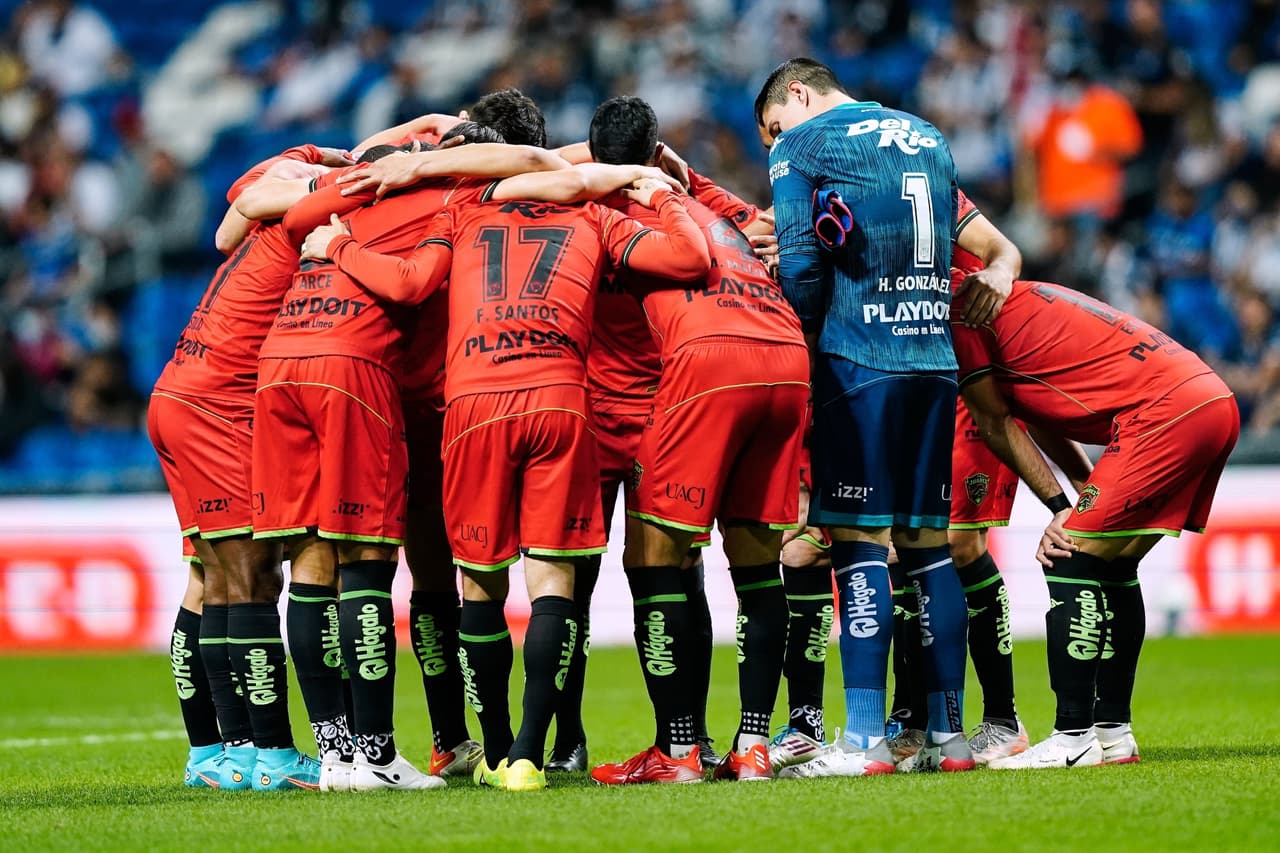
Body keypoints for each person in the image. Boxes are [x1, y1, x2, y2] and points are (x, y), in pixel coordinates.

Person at [298, 161, 708, 792]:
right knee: (553, 581)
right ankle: (527, 755)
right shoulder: (592, 216)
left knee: (481, 585)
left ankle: (488, 749)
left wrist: (340, 244)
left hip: (473, 406)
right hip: (560, 400)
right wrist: (657, 190)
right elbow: (685, 258)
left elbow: (409, 283)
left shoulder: (463, 211)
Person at [755, 57, 1007, 774]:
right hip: (933, 361)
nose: (776, 139)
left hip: (859, 361)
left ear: (796, 94)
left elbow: (802, 267)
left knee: (859, 545)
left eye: (774, 124)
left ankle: (863, 739)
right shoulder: (926, 133)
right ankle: (949, 736)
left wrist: (796, 329)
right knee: (929, 548)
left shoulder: (802, 144)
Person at [572, 97, 806, 784]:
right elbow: (756, 222)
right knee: (758, 561)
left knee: (655, 556)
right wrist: (681, 173)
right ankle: (754, 745)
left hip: (706, 365)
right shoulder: (710, 210)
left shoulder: (607, 210)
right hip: (785, 357)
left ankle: (677, 751)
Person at [953, 275, 1239, 770]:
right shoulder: (1018, 298)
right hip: (1209, 400)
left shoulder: (961, 311)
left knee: (1070, 554)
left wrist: (1061, 508)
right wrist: (1084, 487)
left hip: (1163, 412)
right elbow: (1040, 409)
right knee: (1114, 563)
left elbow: (996, 422)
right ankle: (1113, 732)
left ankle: (1072, 736)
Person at [148, 142, 353, 792]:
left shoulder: (266, 214)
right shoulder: (313, 216)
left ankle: (218, 752)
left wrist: (323, 158)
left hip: (183, 388)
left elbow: (241, 201)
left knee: (208, 579)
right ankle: (268, 753)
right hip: (216, 404)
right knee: (249, 580)